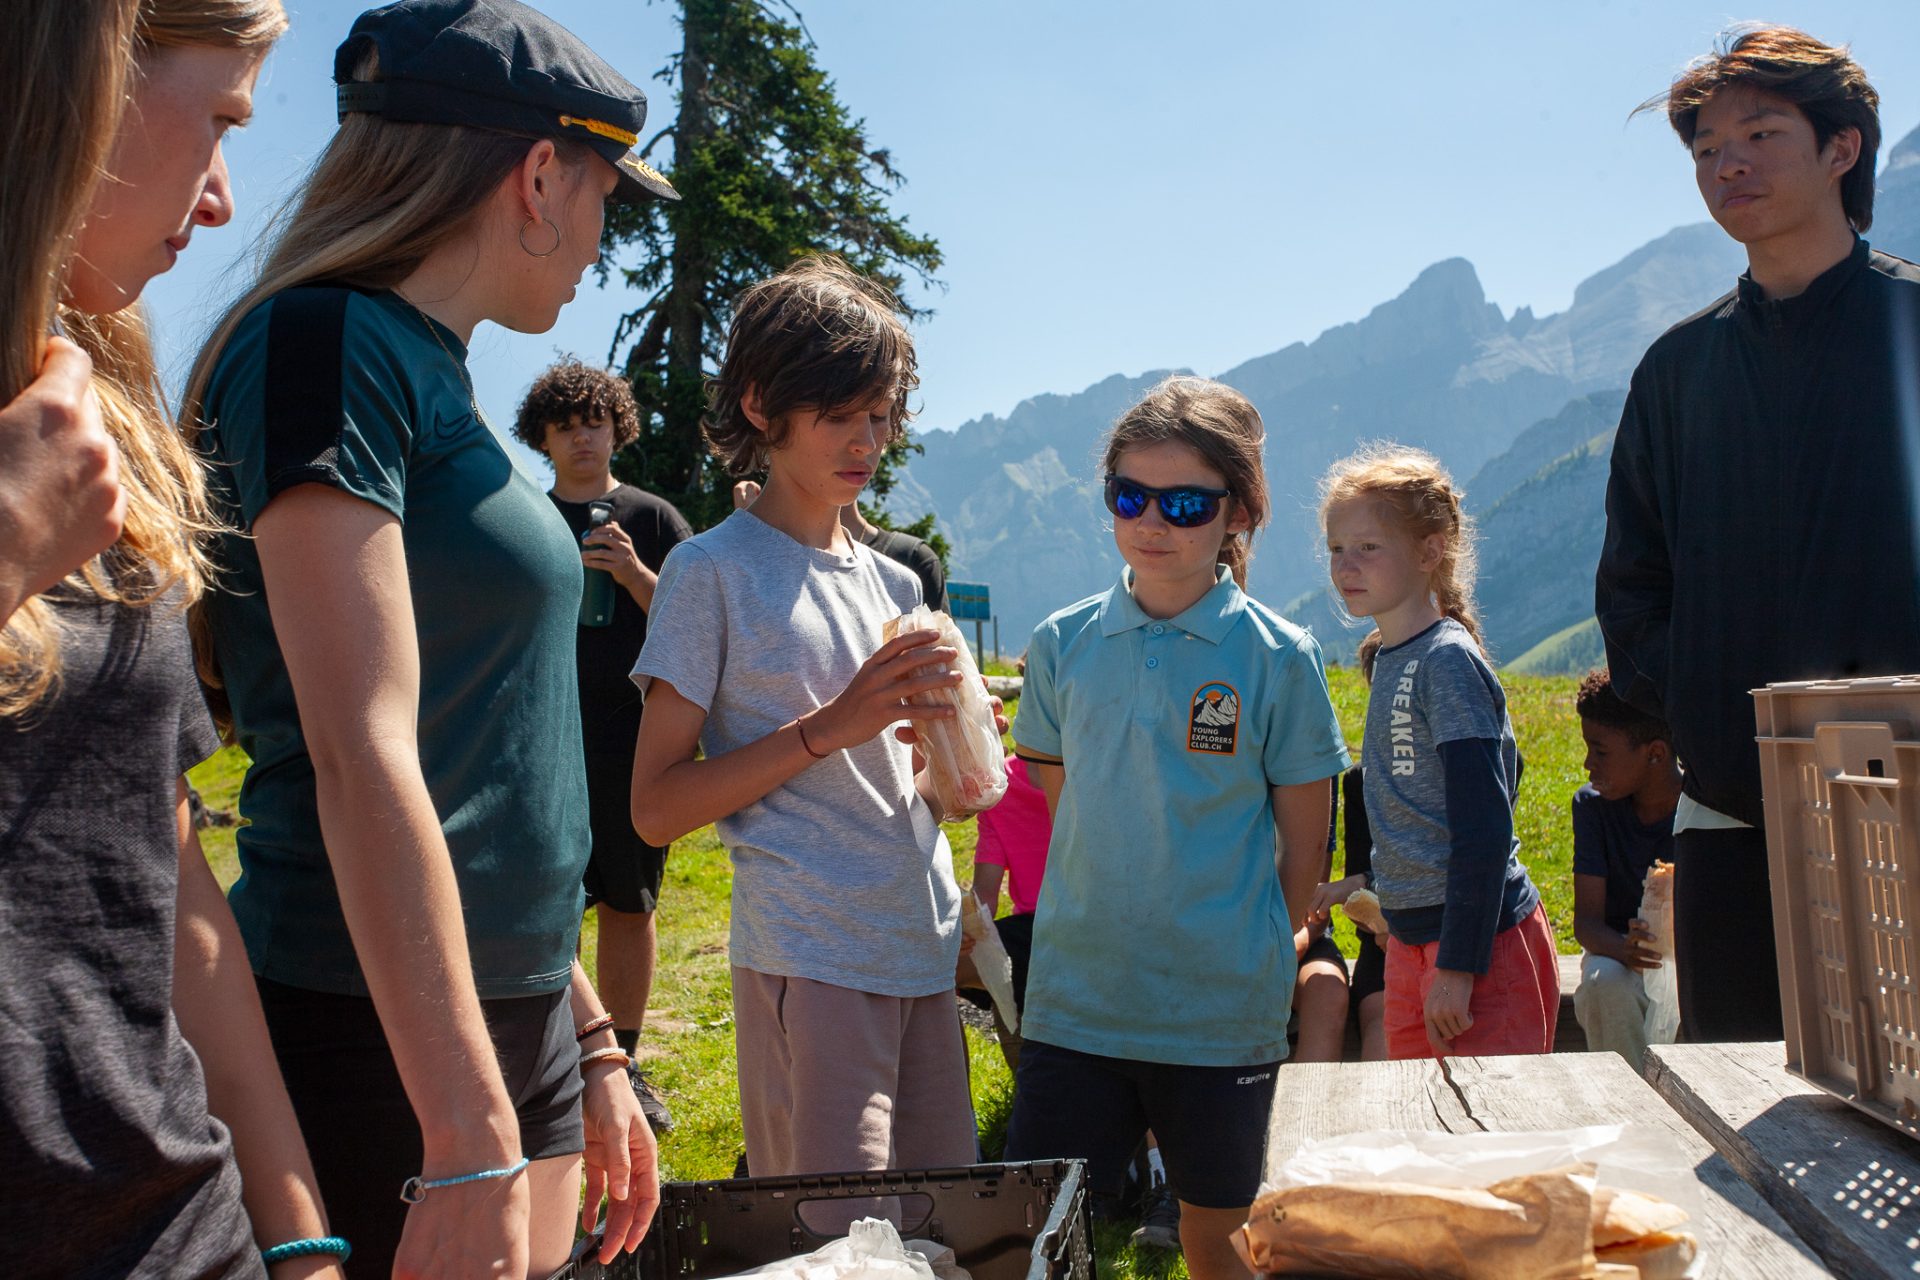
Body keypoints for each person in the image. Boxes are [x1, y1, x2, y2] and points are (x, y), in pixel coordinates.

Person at [188, 1, 678, 1272]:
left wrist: (593, 1040)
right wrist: (466, 1120)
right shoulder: (326, 342)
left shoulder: (432, 368)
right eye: (607, 196)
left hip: (517, 1012)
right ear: (538, 176)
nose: (604, 239)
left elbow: (486, 762)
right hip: (373, 1026)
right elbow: (362, 750)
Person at [0, 2, 349, 1276]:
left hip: (179, 1230)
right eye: (220, 120)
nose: (220, 199)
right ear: (78, 74)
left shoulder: (99, 410)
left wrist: (299, 1231)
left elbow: (166, 865)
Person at [1597, 24, 1920, 1043]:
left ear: (1842, 148)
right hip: (1731, 814)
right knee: (1741, 1093)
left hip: (1910, 805)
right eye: (1706, 148)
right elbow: (1632, 582)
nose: (1727, 163)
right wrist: (1700, 704)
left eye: (1761, 134)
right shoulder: (1677, 371)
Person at [630, 255, 984, 1185]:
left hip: (921, 945)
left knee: (944, 1235)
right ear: (760, 405)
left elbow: (918, 794)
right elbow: (655, 808)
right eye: (839, 415)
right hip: (812, 958)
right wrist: (832, 724)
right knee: (838, 1239)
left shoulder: (897, 583)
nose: (867, 441)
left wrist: (957, 755)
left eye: (882, 415)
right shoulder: (710, 572)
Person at [1005, 376, 1350, 1280]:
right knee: (1033, 1244)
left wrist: (1263, 949)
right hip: (1076, 1005)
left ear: (1239, 512)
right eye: (1130, 497)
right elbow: (1065, 804)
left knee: (1219, 1242)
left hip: (1219, 1015)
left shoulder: (1280, 656)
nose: (1153, 521)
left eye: (1186, 504)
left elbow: (1306, 844)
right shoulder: (1060, 643)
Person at [1319, 445, 1557, 1062]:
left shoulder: (1446, 661)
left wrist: (1457, 965)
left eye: (1368, 547)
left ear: (1430, 552)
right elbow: (1415, 816)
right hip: (1411, 941)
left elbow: (1485, 825)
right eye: (1336, 548)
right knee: (1418, 1112)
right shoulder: (1389, 656)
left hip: (1478, 950)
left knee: (1490, 1119)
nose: (1346, 565)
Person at [514, 358, 691, 1134]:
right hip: (537, 736)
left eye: (595, 422)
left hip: (633, 739)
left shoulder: (653, 519)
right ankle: (566, 1058)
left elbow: (698, 628)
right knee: (551, 900)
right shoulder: (522, 515)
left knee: (628, 900)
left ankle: (626, 1061)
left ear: (619, 428)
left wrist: (634, 574)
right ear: (542, 439)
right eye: (565, 426)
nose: (582, 438)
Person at [1570, 669, 1681, 1072]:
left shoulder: (1698, 810)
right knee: (1604, 983)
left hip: (1688, 961)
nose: (1588, 764)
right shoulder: (1593, 807)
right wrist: (1625, 949)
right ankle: (1631, 1092)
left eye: (1600, 752)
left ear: (1655, 754)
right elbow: (1587, 924)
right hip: (1620, 954)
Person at [731, 475, 946, 610]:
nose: (864, 442)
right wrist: (756, 535)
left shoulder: (910, 562)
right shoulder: (724, 564)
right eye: (835, 419)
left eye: (876, 419)